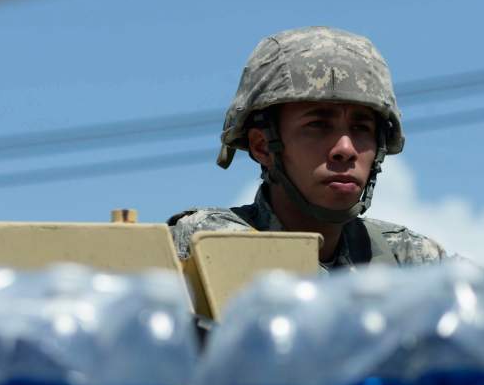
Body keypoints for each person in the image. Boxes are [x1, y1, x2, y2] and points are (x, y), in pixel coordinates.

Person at [169, 26, 448, 270]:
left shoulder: (409, 261)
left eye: (362, 128)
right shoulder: (204, 244)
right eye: (318, 125)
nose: (345, 149)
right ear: (262, 146)